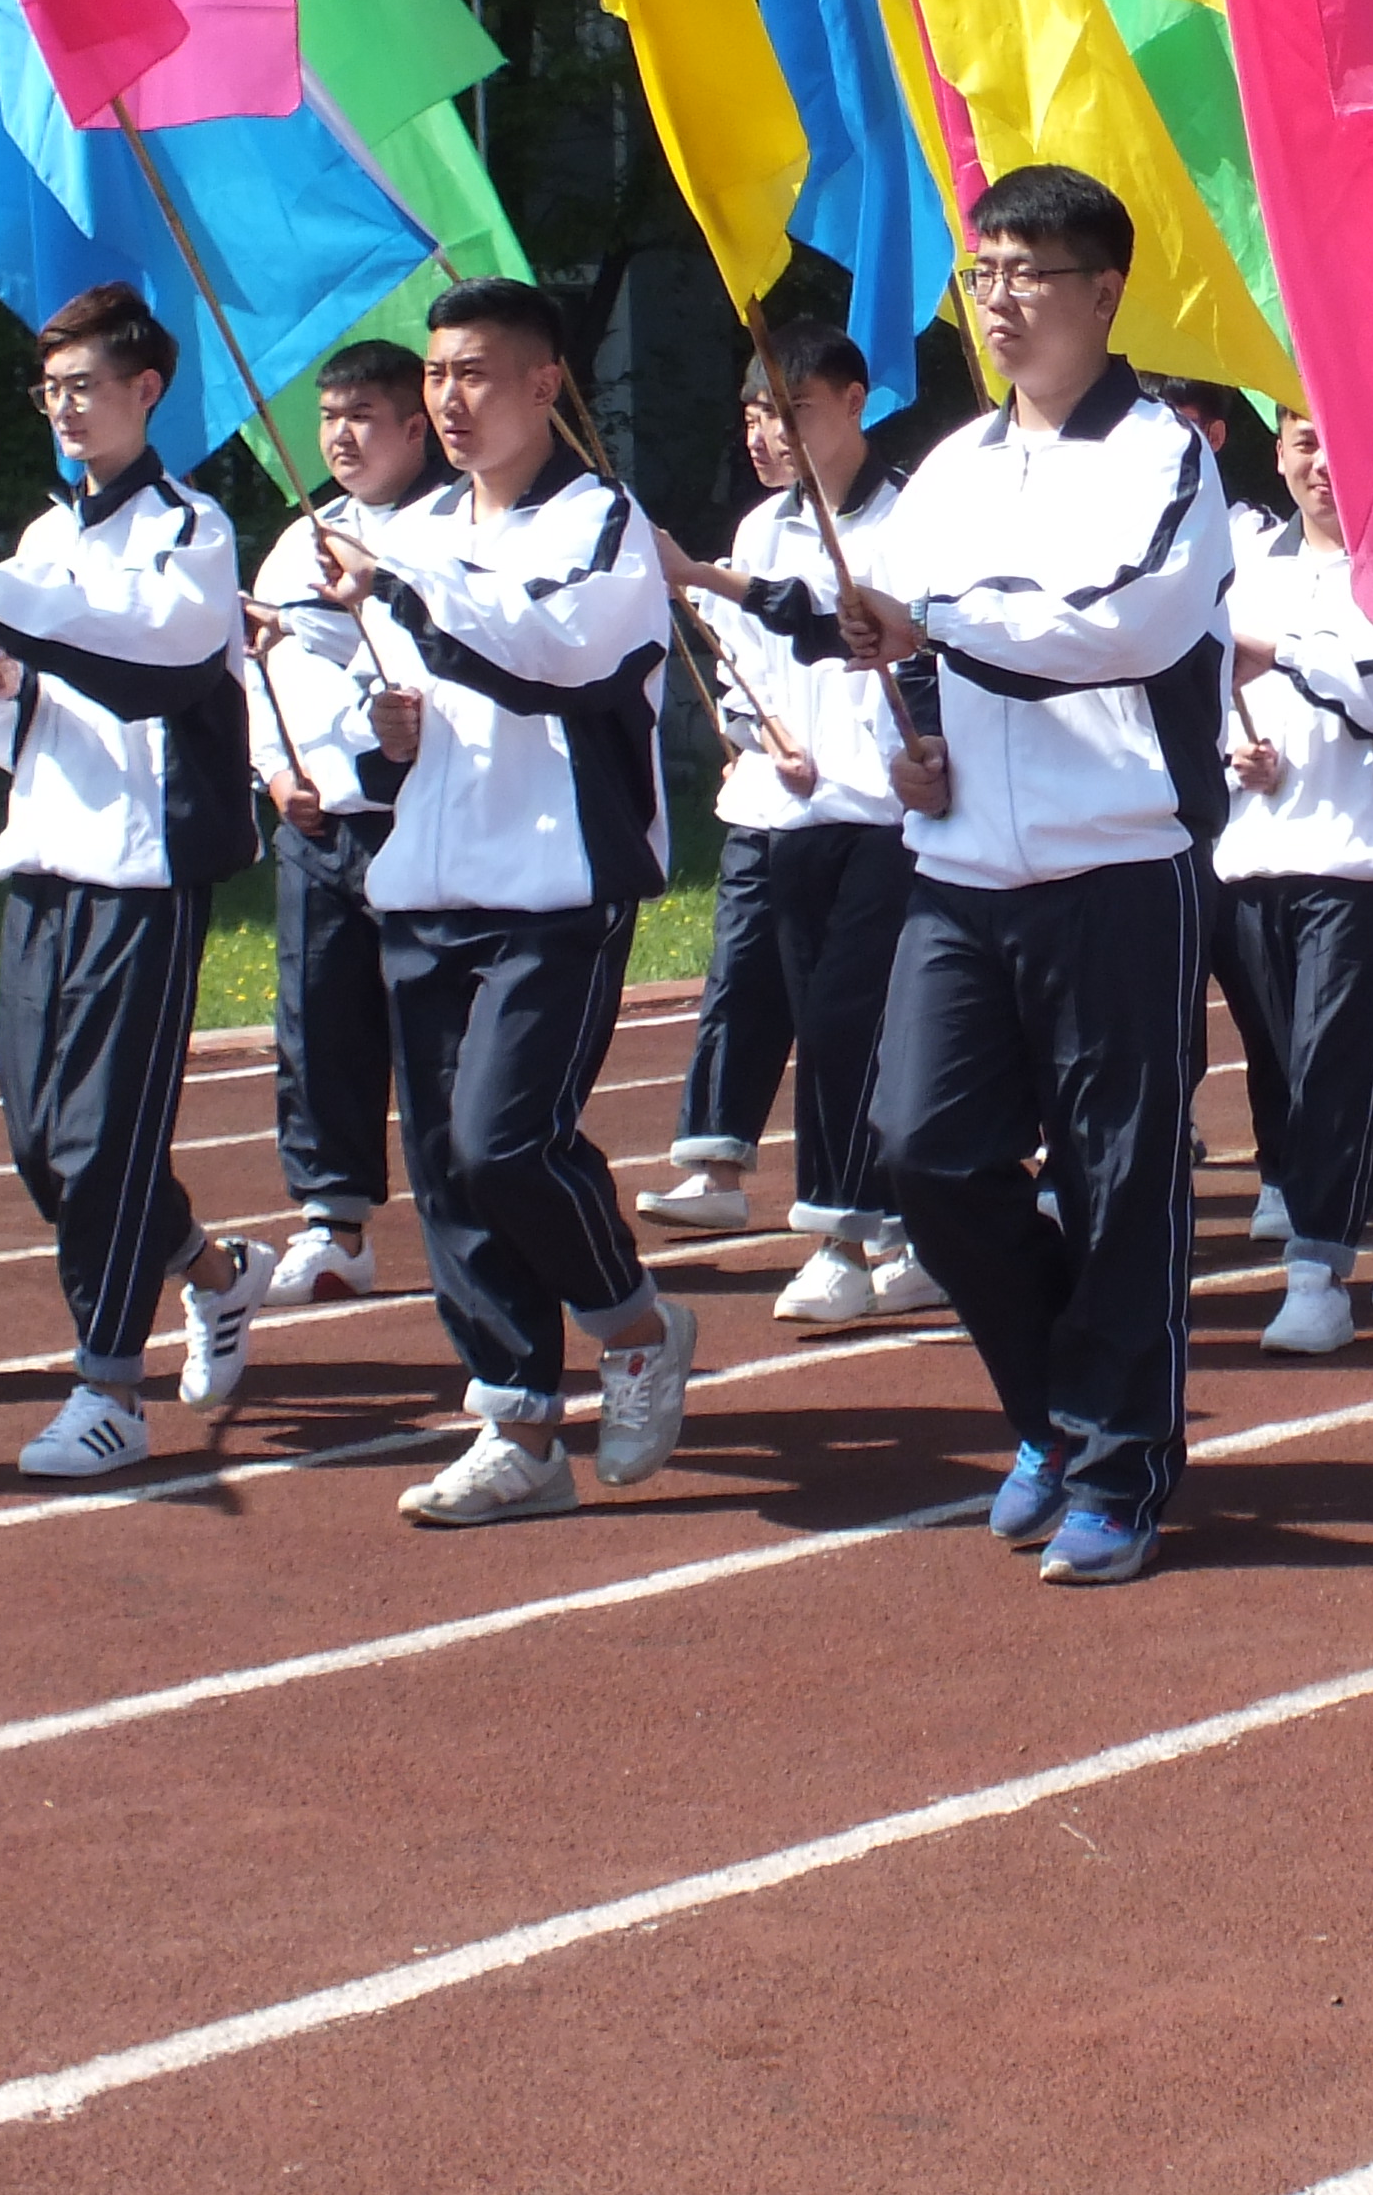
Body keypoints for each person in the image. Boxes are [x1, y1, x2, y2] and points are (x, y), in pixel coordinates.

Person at [830, 165, 1237, 1587]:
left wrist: (934, 618)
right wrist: (917, 737)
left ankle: (1123, 1464)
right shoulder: (950, 467)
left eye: (1028, 276)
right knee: (926, 1156)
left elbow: (1117, 631)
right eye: (981, 276)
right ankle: (1055, 1416)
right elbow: (910, 644)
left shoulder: (1168, 458)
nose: (997, 303)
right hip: (959, 872)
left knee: (1122, 1179)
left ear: (1103, 292)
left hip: (1116, 864)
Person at [309, 276, 697, 1528]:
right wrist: (384, 733)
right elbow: (362, 705)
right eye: (437, 376)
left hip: (558, 883)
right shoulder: (408, 535)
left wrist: (412, 591)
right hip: (429, 876)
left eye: (475, 373)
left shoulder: (604, 524)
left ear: (545, 383)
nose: (450, 399)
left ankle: (636, 1328)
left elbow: (560, 658)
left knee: (505, 1138)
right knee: (447, 1169)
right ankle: (518, 1421)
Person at [0, 284, 263, 1482]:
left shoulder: (193, 530)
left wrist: (18, 610)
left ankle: (108, 1387)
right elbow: (31, 723)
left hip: (144, 869)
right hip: (46, 860)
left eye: (86, 388)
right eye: (51, 390)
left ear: (146, 393)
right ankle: (216, 1276)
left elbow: (154, 662)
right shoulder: (46, 538)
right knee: (39, 1142)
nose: (66, 410)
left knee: (106, 1139)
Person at [653, 324, 937, 1330]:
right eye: (758, 413)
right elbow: (745, 664)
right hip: (790, 810)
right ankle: (899, 1217)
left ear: (856, 401)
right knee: (806, 1005)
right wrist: (750, 735)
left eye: (791, 409)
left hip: (885, 815)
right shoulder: (764, 525)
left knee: (846, 1019)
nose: (769, 432)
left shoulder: (910, 518)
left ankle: (843, 1233)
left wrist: (706, 577)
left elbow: (866, 629)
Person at [1209, 408, 1373, 1352]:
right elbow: (1204, 692)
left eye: (1342, 439)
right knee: (1319, 1077)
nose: (1323, 463)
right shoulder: (1243, 567)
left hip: (1365, 862)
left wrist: (1282, 651)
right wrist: (1234, 754)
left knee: (1330, 1073)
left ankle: (1316, 1272)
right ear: (1277, 452)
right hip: (1252, 859)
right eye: (1304, 441)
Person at [240, 339, 440, 1320]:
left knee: (435, 1030)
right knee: (318, 1023)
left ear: (416, 426)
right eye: (329, 417)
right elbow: (259, 666)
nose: (341, 436)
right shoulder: (299, 539)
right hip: (320, 829)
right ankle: (333, 1221)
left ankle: (472, 1207)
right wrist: (277, 773)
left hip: (424, 823)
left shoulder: (447, 534)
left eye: (363, 415)